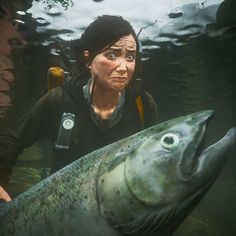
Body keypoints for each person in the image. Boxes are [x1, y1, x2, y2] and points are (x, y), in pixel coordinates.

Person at [0, 15, 158, 202]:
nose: (123, 67)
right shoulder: (59, 100)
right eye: (112, 55)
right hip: (60, 203)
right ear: (88, 60)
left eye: (130, 56)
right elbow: (13, 139)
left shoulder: (144, 105)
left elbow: (152, 159)